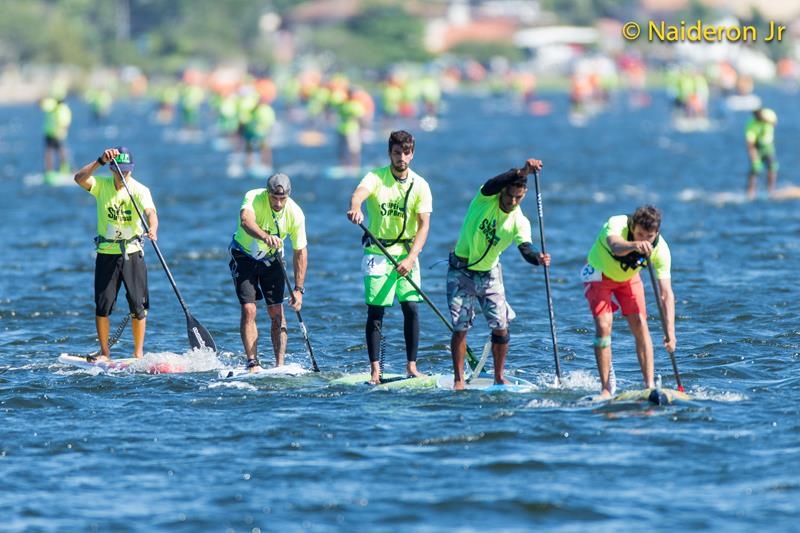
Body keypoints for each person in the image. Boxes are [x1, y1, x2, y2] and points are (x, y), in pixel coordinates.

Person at [447, 159, 550, 390]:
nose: (512, 202)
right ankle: (458, 380)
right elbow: (493, 182)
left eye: (519, 198)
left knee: (501, 327)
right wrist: (522, 171)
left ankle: (499, 377)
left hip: (490, 274)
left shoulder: (519, 221)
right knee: (461, 326)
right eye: (509, 196)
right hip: (461, 270)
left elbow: (526, 248)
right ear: (503, 191)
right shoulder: (485, 198)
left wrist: (538, 258)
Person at [346, 130, 432, 384]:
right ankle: (375, 371)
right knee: (376, 311)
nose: (401, 158)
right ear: (389, 153)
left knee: (411, 308)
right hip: (378, 254)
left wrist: (411, 258)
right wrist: (355, 208)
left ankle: (411, 366)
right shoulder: (376, 177)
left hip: (407, 254)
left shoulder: (421, 185)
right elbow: (359, 193)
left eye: (406, 153)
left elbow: (424, 226)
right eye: (397, 153)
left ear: (412, 154)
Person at [580, 205, 675, 399]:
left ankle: (649, 386)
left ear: (656, 233)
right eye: (639, 234)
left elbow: (666, 293)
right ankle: (606, 388)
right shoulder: (617, 223)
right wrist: (634, 246)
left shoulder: (661, 249)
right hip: (599, 273)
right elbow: (615, 246)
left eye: (649, 236)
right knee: (604, 325)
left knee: (641, 325)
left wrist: (671, 332)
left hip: (628, 279)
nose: (644, 240)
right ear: (632, 226)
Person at [73, 147, 158, 361]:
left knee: (138, 306)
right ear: (112, 169)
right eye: (120, 171)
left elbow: (151, 212)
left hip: (132, 253)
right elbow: (79, 178)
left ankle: (138, 354)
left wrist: (153, 228)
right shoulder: (101, 185)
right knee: (102, 306)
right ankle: (105, 352)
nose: (123, 175)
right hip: (106, 253)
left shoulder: (140, 190)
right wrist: (99, 161)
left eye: (127, 171)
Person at [229, 173, 307, 372]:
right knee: (249, 309)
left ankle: (279, 365)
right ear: (267, 192)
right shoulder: (254, 197)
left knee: (276, 312)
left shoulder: (296, 214)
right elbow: (246, 221)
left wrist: (298, 289)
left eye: (283, 199)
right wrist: (265, 236)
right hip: (244, 256)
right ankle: (252, 362)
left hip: (272, 260)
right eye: (274, 198)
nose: (279, 203)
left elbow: (300, 252)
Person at [745, 107, 778, 199]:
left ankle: (771, 191)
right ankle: (750, 192)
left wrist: (767, 121)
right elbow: (750, 142)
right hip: (757, 147)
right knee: (755, 169)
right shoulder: (751, 124)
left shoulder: (768, 117)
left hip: (768, 147)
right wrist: (752, 154)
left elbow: (774, 123)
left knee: (772, 167)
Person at [41, 95, 72, 173]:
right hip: (49, 133)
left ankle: (64, 169)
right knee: (49, 152)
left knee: (61, 151)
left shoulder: (64, 109)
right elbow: (42, 104)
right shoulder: (52, 105)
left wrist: (61, 131)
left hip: (59, 134)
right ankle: (49, 171)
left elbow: (66, 124)